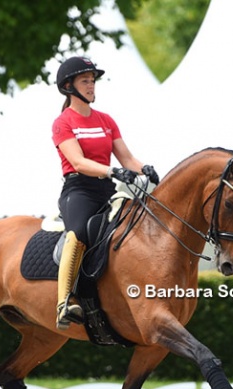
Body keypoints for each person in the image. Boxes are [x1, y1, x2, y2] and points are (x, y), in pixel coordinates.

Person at [52, 56, 160, 330]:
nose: (91, 86)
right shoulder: (63, 122)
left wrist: (144, 169)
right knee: (78, 233)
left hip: (106, 189)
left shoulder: (106, 120)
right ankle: (64, 302)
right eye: (85, 81)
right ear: (69, 87)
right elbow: (78, 162)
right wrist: (111, 171)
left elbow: (127, 158)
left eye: (92, 81)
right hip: (79, 190)